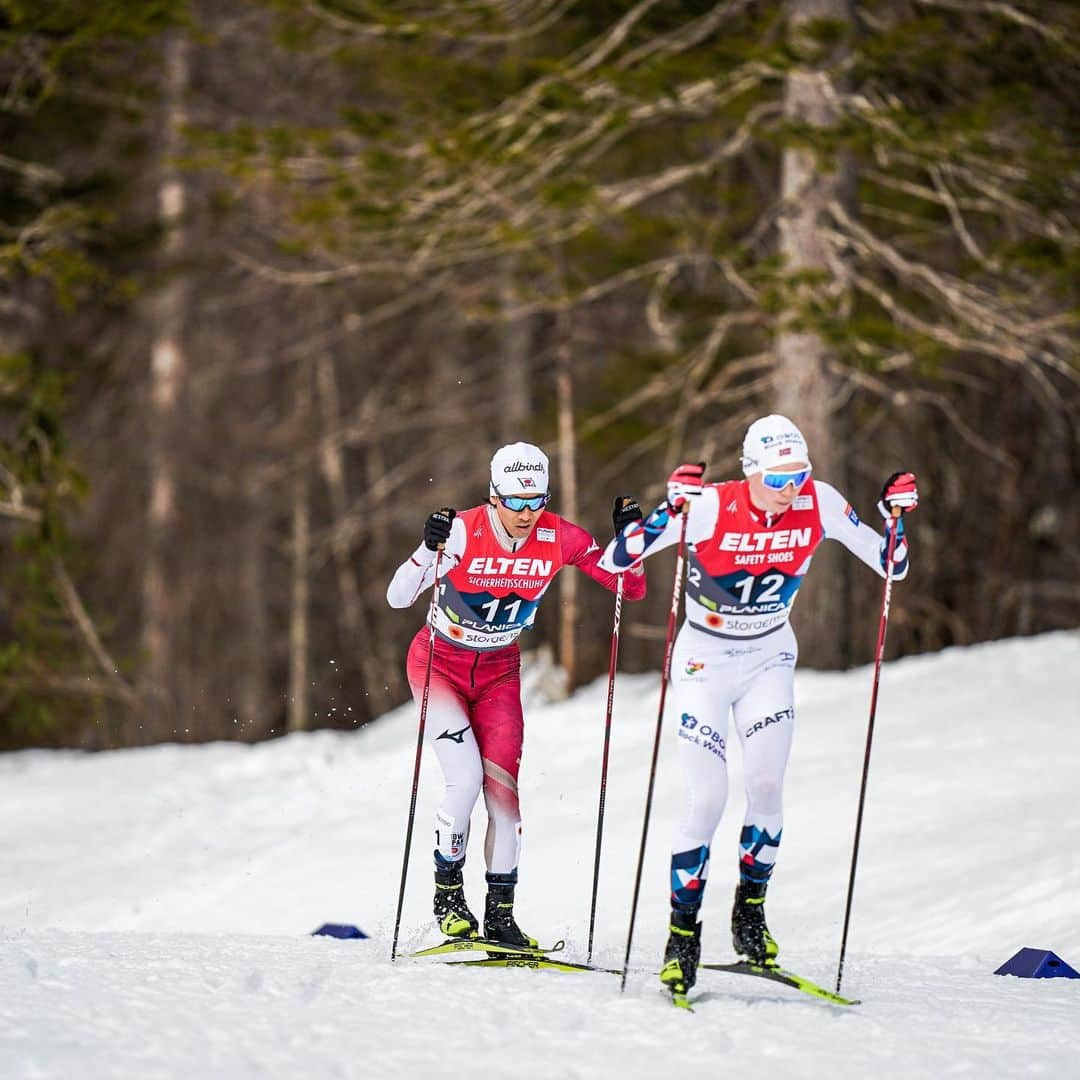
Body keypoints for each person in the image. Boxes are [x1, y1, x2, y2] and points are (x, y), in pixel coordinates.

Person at [599, 415, 918, 997]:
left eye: (798, 473)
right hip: (704, 661)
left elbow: (892, 565)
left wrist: (892, 520)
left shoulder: (819, 503)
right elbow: (618, 560)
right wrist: (672, 510)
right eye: (776, 477)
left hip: (769, 656)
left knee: (767, 785)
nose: (789, 487)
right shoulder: (712, 506)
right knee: (709, 796)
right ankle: (681, 936)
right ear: (750, 471)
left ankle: (748, 915)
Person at [386, 442, 647, 947]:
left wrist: (630, 542)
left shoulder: (560, 536)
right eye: (514, 502)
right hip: (440, 662)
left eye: (536, 502)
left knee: (505, 797)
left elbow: (627, 588)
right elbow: (398, 598)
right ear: (493, 496)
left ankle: (501, 917)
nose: (526, 514)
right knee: (462, 781)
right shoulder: (461, 530)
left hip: (500, 671)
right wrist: (426, 548)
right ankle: (449, 900)